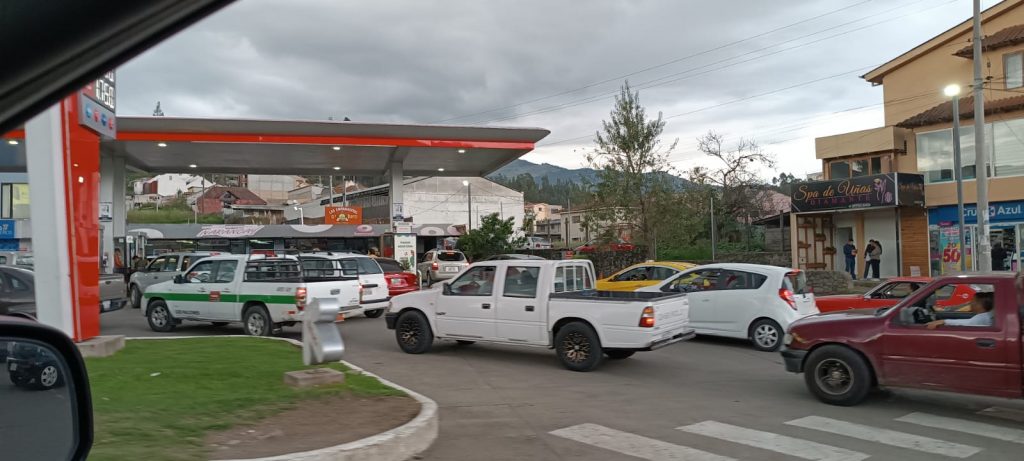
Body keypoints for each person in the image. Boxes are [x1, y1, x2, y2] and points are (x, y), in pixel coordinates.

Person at [927, 291, 994, 328]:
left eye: (973, 301)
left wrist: (944, 321)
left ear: (980, 304)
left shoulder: (983, 317)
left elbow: (967, 323)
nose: (970, 303)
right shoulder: (987, 315)